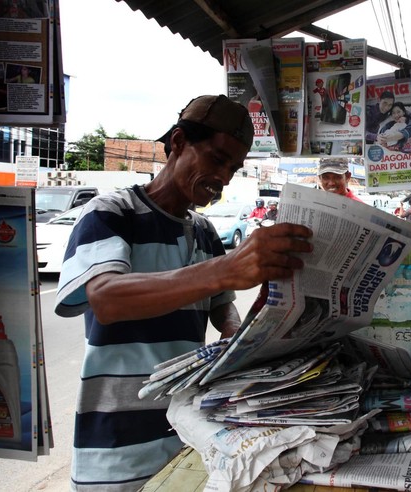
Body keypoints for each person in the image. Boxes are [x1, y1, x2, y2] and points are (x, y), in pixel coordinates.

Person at [54, 95, 313, 491]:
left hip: (189, 435)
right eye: (216, 159)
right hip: (116, 449)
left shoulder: (205, 232)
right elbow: (106, 298)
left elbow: (223, 311)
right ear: (178, 142)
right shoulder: (110, 213)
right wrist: (225, 270)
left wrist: (247, 342)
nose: (224, 177)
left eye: (233, 168)